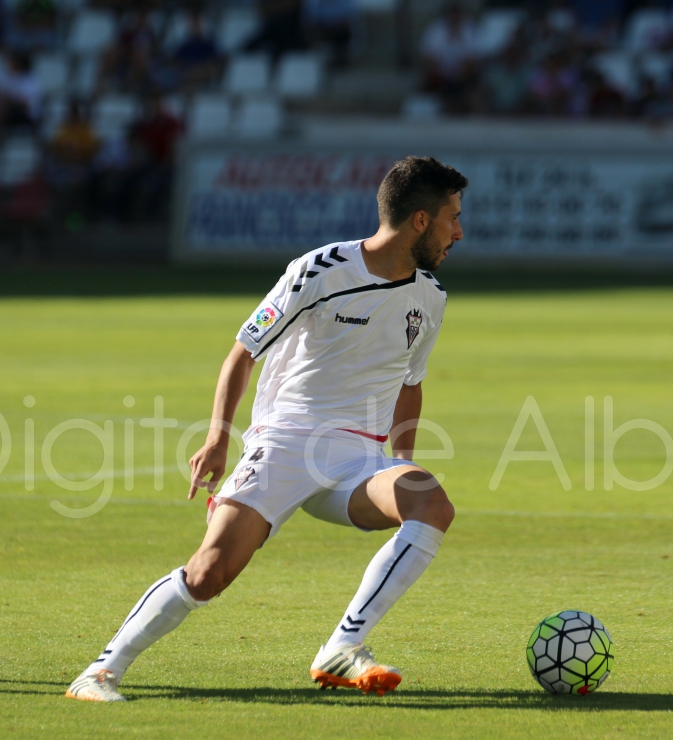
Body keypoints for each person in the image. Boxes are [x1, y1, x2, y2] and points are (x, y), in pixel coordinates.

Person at [66, 156, 465, 702]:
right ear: (420, 221)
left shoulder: (431, 298)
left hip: (360, 460)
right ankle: (100, 672)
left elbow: (410, 382)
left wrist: (403, 463)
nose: (458, 232)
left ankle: (341, 649)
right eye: (451, 218)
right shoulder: (320, 270)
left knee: (430, 503)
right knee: (209, 572)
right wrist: (217, 438)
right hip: (286, 442)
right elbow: (242, 353)